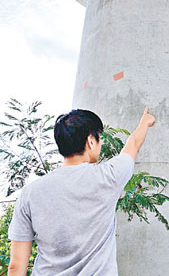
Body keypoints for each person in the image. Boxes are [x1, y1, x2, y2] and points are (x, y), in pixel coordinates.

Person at [7, 106, 155, 276]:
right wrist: (145, 123)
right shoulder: (109, 176)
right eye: (100, 139)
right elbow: (133, 145)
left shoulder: (30, 193)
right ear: (91, 141)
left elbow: (16, 266)